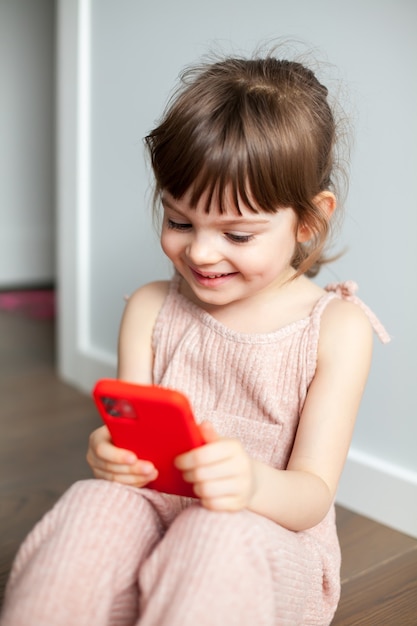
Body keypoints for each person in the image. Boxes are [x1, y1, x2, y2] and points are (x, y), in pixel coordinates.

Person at [0, 51, 390, 626]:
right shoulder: (151, 308)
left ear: (308, 221)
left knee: (214, 534)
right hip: (155, 527)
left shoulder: (336, 329)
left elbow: (310, 497)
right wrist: (109, 456)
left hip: (262, 551)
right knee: (91, 505)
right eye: (179, 221)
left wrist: (251, 482)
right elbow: (130, 443)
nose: (201, 253)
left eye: (237, 233)